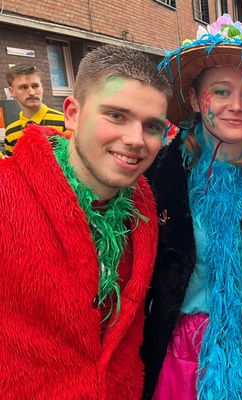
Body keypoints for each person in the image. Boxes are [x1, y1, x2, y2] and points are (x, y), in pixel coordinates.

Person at [140, 14, 242, 400]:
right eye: (221, 91)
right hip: (181, 352)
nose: (236, 106)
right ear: (199, 99)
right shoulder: (160, 171)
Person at [0, 45, 171, 399]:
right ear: (73, 113)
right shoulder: (6, 192)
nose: (136, 140)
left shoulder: (144, 207)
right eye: (116, 116)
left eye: (152, 125)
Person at [4, 64, 69, 156]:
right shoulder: (10, 133)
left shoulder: (65, 123)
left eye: (35, 86)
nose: (31, 92)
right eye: (24, 87)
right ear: (12, 91)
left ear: (42, 87)